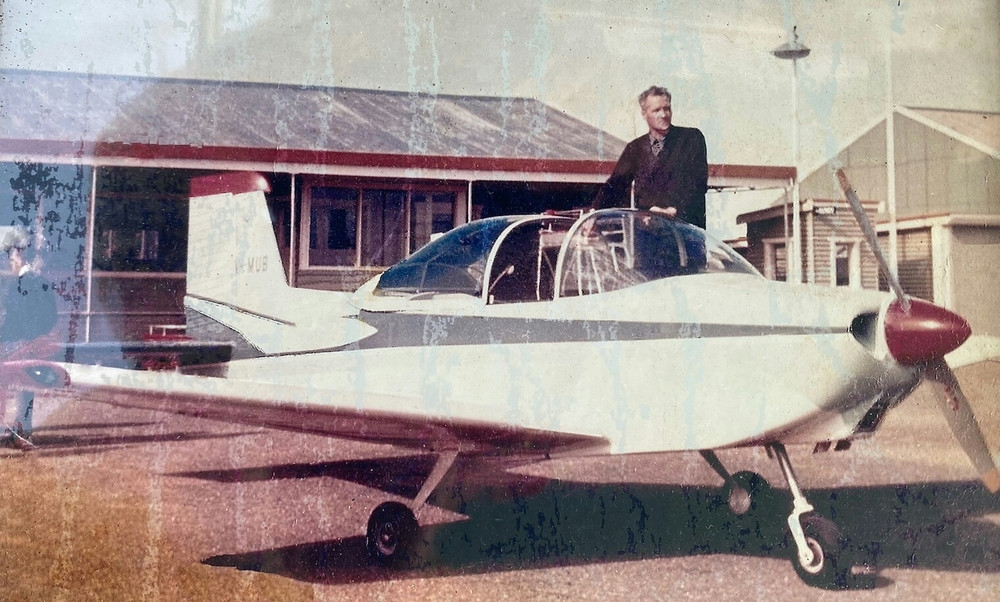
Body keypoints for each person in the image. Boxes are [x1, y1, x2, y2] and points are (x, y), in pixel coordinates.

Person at [591, 86, 708, 229]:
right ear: (644, 113)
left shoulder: (691, 139)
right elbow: (615, 185)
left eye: (667, 108)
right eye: (656, 110)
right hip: (648, 233)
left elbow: (697, 182)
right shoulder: (635, 148)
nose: (663, 114)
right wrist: (594, 213)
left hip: (685, 230)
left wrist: (674, 210)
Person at [0, 226, 58, 448]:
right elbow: (51, 316)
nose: (10, 261)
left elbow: (17, 318)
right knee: (25, 391)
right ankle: (20, 433)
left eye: (12, 256)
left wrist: (17, 338)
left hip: (18, 343)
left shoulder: (23, 283)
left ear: (19, 255)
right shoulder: (39, 282)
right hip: (30, 342)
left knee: (19, 390)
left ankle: (20, 434)